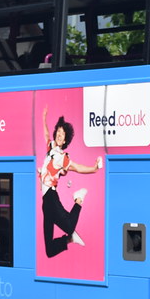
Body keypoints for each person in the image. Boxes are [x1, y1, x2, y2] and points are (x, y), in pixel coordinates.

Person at [38, 105, 102, 258]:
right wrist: (44, 118)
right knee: (49, 251)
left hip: (51, 199)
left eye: (62, 133)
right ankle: (69, 239)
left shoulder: (62, 157)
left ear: (65, 139)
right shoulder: (50, 147)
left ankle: (78, 199)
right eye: (58, 131)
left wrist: (94, 169)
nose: (59, 134)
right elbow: (46, 134)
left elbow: (78, 167)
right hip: (45, 203)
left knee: (69, 225)